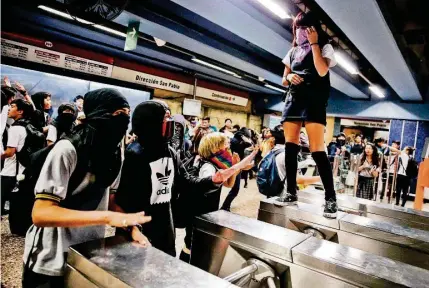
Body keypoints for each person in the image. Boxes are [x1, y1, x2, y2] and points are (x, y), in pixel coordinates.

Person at [22, 89, 152, 288]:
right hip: (49, 258)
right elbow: (41, 213)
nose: (124, 120)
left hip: (86, 254)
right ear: (98, 115)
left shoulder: (115, 153)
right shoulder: (67, 150)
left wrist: (130, 226)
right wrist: (107, 217)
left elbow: (111, 200)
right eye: (118, 114)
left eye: (127, 114)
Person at [111, 101, 249, 256]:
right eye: (165, 119)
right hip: (138, 225)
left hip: (164, 222)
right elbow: (124, 200)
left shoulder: (169, 151)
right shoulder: (135, 154)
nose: (170, 124)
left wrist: (212, 180)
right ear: (151, 122)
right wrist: (131, 227)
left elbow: (186, 181)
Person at [279, 11, 338, 218]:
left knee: (317, 149)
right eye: (298, 28)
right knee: (290, 146)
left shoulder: (325, 47)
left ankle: (330, 198)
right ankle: (290, 192)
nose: (301, 32)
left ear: (314, 28)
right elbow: (284, 80)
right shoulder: (292, 51)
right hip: (294, 99)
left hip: (314, 99)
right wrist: (291, 76)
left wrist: (313, 45)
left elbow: (322, 71)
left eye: (305, 27)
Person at [180, 132, 257, 262]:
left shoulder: (217, 164)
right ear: (214, 148)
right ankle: (185, 263)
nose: (227, 149)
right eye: (224, 146)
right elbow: (205, 187)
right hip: (198, 213)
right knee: (191, 242)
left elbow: (228, 184)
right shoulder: (207, 166)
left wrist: (234, 167)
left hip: (208, 212)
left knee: (199, 242)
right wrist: (236, 168)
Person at [259, 126, 321, 197]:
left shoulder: (271, 152)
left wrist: (306, 162)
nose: (300, 140)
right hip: (284, 196)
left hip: (272, 194)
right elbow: (298, 179)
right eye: (298, 136)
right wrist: (321, 178)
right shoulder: (287, 155)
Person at [0, 99, 34, 216]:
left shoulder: (15, 129)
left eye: (12, 106)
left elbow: (10, 152)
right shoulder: (28, 126)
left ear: (20, 111)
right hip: (22, 169)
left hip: (10, 171)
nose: (9, 109)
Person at [221, 127, 254, 211]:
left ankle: (225, 206)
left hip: (235, 166)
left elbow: (250, 144)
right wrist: (245, 138)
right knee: (235, 189)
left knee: (234, 189)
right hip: (233, 167)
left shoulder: (238, 141)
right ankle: (225, 207)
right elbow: (250, 144)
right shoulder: (236, 141)